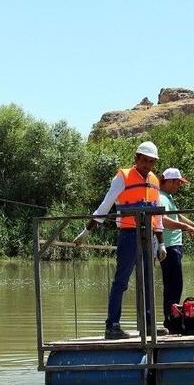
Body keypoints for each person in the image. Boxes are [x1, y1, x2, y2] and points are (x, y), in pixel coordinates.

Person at [73, 141, 169, 340]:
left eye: (152, 162)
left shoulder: (154, 180)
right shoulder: (122, 177)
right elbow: (105, 206)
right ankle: (112, 325)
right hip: (128, 235)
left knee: (148, 281)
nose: (148, 165)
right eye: (145, 160)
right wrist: (86, 231)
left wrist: (161, 243)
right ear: (136, 158)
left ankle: (148, 325)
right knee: (121, 282)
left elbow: (158, 214)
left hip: (148, 235)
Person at [158, 167, 194, 322]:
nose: (179, 186)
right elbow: (164, 220)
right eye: (178, 183)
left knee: (176, 284)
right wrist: (187, 228)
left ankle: (172, 317)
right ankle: (170, 319)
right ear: (169, 181)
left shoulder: (168, 197)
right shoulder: (161, 198)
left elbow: (177, 216)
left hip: (174, 246)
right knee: (173, 285)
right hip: (169, 246)